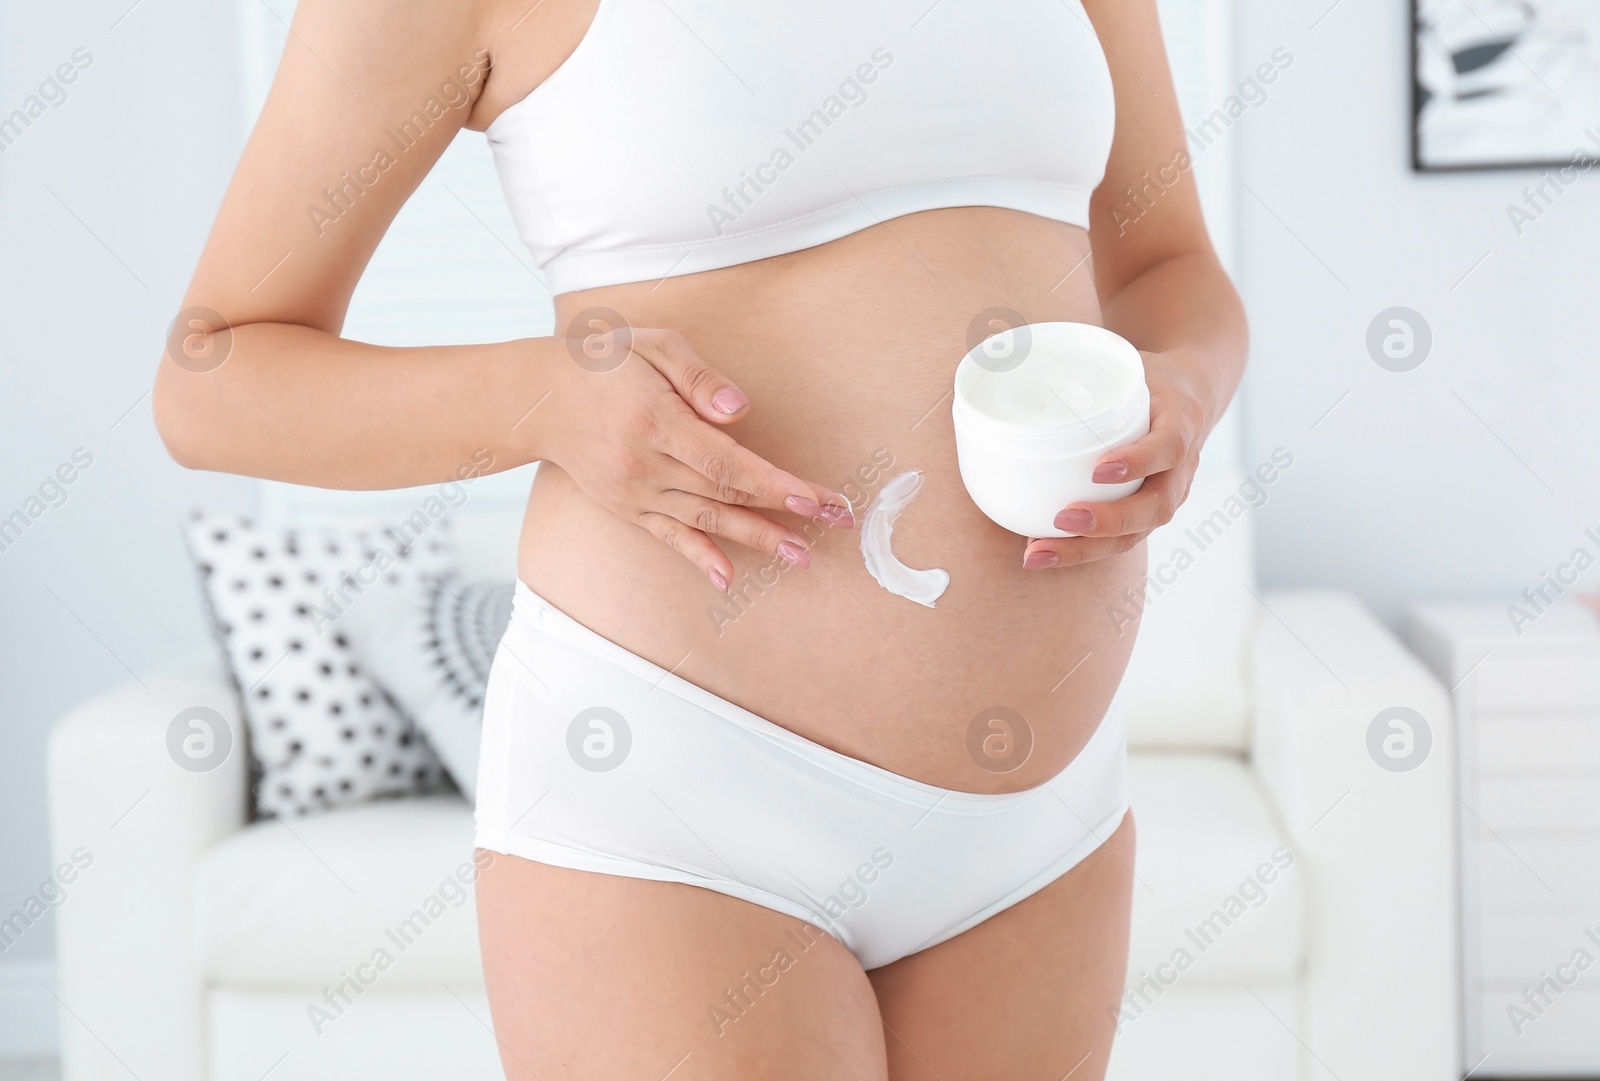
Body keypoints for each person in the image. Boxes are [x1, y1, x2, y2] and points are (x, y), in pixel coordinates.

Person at [154, 0, 1247, 1076]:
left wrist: (1182, 393)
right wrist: (538, 397)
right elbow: (211, 382)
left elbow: (1167, 267)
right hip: (677, 782)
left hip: (1038, 815)